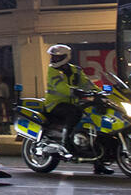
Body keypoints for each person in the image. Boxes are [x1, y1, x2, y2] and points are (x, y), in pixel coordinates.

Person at [45, 44, 112, 174]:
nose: (53, 60)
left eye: (56, 57)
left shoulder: (75, 70)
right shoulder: (53, 71)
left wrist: (99, 93)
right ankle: (65, 143)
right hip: (55, 105)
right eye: (53, 57)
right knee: (74, 113)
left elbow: (86, 83)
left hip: (73, 103)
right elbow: (60, 87)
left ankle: (98, 163)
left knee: (93, 125)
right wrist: (76, 92)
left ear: (65, 57)